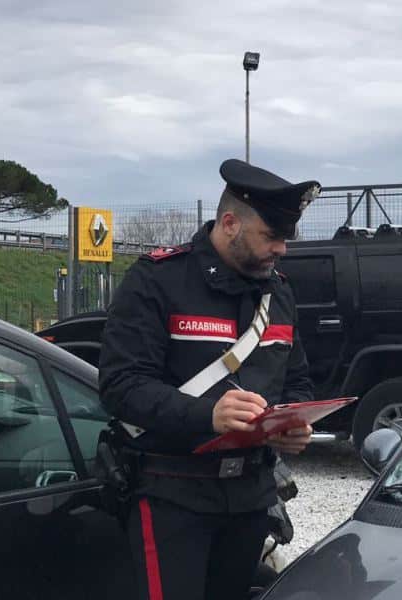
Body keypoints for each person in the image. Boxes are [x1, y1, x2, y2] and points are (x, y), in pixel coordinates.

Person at [98, 158, 320, 600]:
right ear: (231, 223)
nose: (282, 249)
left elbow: (295, 380)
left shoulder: (279, 292)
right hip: (172, 495)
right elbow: (121, 385)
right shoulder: (157, 280)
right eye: (272, 236)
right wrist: (206, 414)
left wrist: (294, 424)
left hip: (251, 497)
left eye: (285, 238)